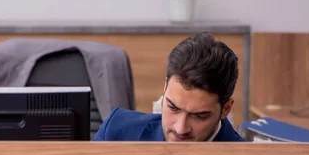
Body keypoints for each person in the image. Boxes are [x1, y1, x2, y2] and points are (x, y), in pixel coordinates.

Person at [93, 33, 245, 142]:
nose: (180, 129)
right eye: (173, 108)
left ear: (225, 109)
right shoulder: (115, 132)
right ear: (165, 88)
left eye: (199, 116)